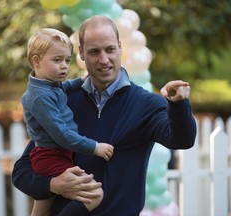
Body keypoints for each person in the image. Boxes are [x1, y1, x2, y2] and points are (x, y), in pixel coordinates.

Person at [12, 16, 197, 215]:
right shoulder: (63, 99)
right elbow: (22, 170)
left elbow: (182, 140)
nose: (103, 59)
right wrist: (53, 184)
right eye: (94, 52)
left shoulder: (146, 104)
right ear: (81, 53)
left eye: (109, 49)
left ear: (119, 47)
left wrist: (178, 105)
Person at [21, 28, 114, 216]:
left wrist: (81, 81)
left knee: (43, 207)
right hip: (51, 156)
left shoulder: (48, 85)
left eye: (67, 60)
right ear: (36, 61)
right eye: (57, 60)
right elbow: (62, 135)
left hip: (53, 154)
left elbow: (63, 88)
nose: (64, 66)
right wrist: (95, 147)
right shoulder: (40, 98)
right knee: (94, 193)